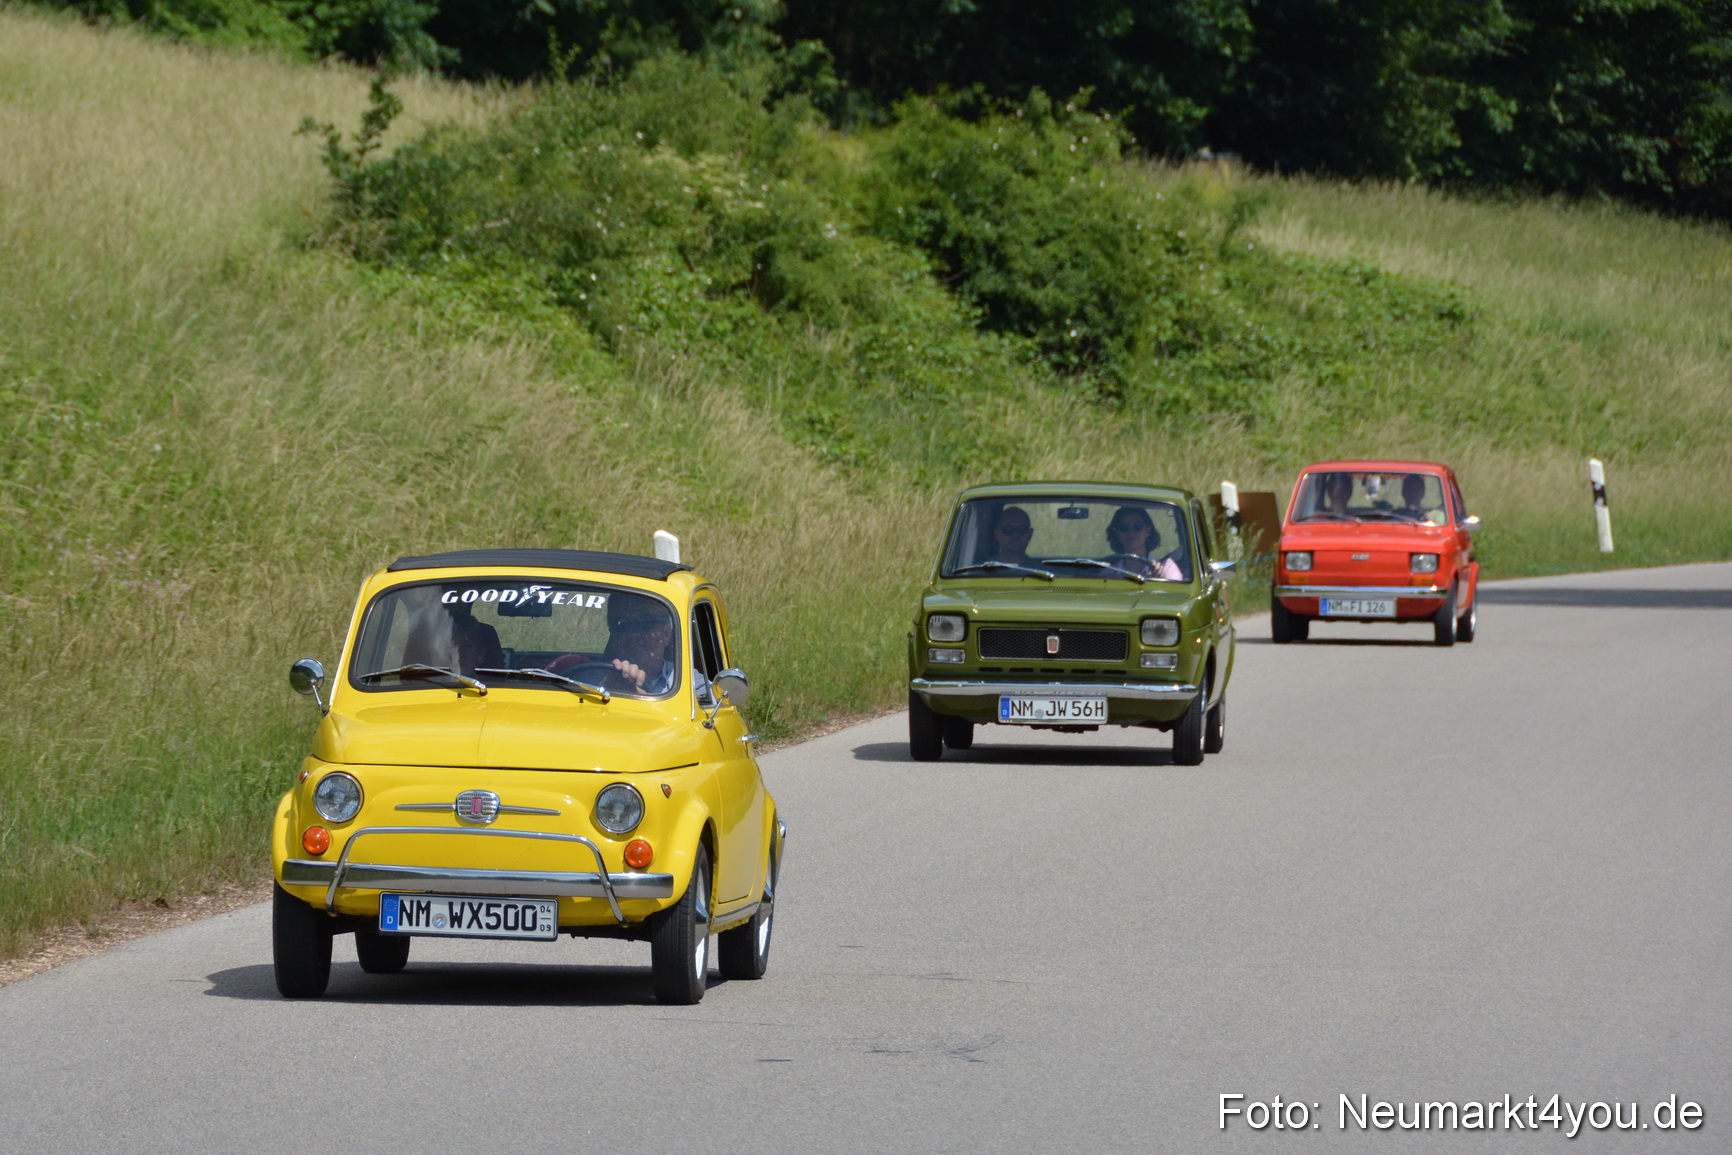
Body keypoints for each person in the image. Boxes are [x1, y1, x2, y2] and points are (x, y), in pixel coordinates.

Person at [1106, 506, 1182, 580]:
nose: (1131, 533)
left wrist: (1158, 583)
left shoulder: (1166, 568)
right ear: (1117, 534)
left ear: (1148, 531)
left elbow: (1179, 590)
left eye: (1138, 526)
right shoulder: (1108, 573)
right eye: (1124, 527)